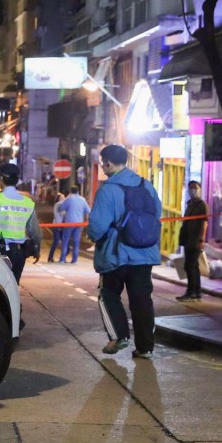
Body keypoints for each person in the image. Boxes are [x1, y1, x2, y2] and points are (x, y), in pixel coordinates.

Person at [87, 144, 162, 359]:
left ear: (109, 163)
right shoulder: (146, 185)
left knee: (108, 294)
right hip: (145, 254)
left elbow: (97, 227)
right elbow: (156, 212)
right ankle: (145, 347)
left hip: (116, 254)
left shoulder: (108, 190)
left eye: (103, 163)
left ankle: (118, 336)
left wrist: (92, 236)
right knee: (142, 299)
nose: (103, 167)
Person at [0, 163, 42, 283]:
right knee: (14, 285)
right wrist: (36, 249)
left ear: (1, 178)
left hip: (0, 251)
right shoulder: (27, 203)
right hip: (20, 254)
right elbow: (35, 231)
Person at [177, 180, 208, 301]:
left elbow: (204, 222)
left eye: (195, 188)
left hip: (195, 240)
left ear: (200, 189)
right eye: (190, 188)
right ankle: (196, 291)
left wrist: (202, 239)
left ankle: (192, 292)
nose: (193, 190)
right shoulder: (190, 204)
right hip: (188, 239)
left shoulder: (202, 205)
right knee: (193, 266)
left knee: (189, 266)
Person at [57, 186, 91, 264]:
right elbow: (88, 210)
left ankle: (62, 259)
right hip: (79, 223)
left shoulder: (69, 199)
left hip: (69, 223)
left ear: (70, 191)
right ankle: (74, 260)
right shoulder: (83, 200)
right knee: (76, 242)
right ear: (78, 191)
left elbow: (61, 208)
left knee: (65, 240)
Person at [47, 192, 66, 262]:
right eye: (62, 197)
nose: (64, 198)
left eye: (64, 197)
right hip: (57, 225)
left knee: (63, 241)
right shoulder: (58, 204)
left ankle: (62, 257)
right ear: (59, 199)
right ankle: (50, 257)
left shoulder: (60, 204)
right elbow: (62, 213)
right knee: (56, 241)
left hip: (61, 225)